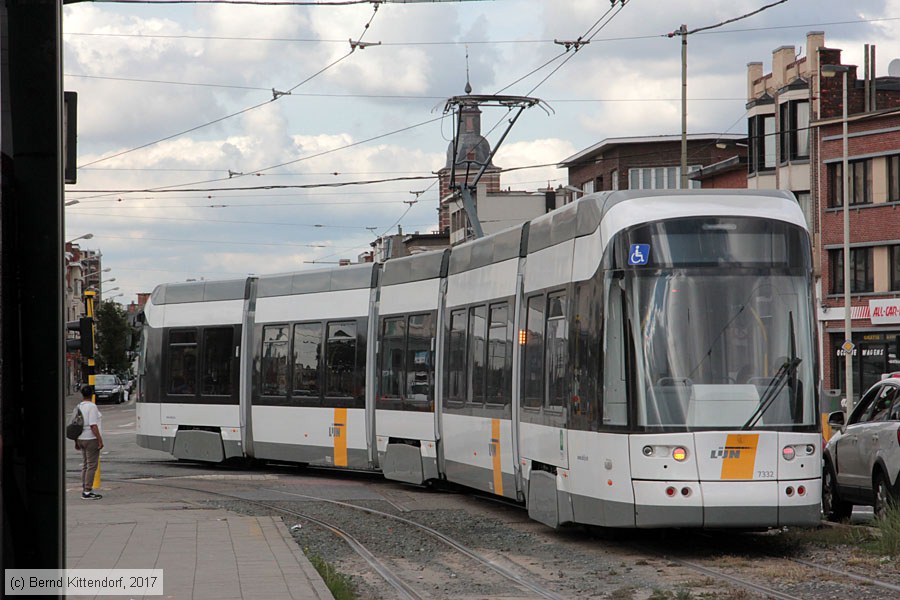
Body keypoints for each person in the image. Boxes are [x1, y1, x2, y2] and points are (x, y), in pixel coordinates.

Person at [74, 384, 104, 500]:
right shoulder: (92, 407)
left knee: (85, 465)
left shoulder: (79, 406)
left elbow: (75, 425)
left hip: (81, 437)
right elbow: (93, 425)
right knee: (92, 465)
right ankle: (87, 491)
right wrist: (99, 440)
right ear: (92, 394)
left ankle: (85, 488)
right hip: (90, 439)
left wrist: (76, 440)